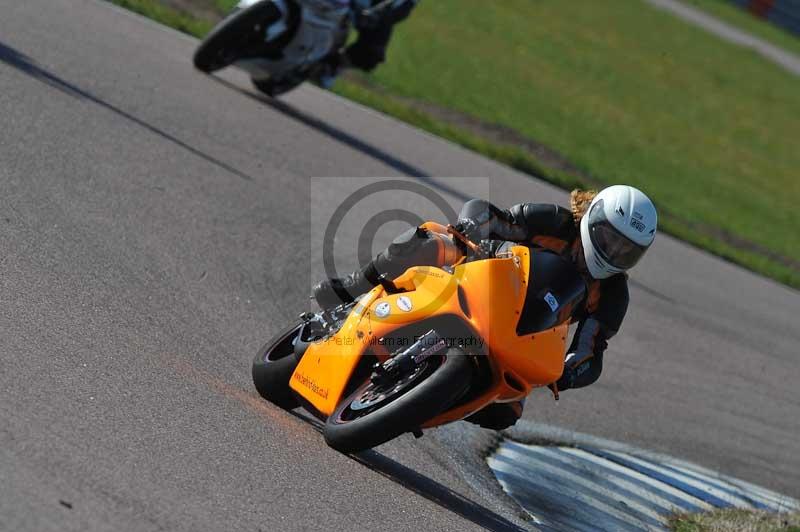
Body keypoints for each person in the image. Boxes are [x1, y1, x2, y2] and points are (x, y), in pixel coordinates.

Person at [313, 185, 658, 429]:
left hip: (521, 332)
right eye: (610, 238)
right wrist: (471, 228)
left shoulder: (612, 294)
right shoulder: (556, 222)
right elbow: (496, 217)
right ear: (592, 219)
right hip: (481, 272)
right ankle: (357, 285)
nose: (613, 252)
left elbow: (591, 350)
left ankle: (419, 401)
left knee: (505, 414)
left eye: (625, 250)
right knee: (428, 242)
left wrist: (567, 374)